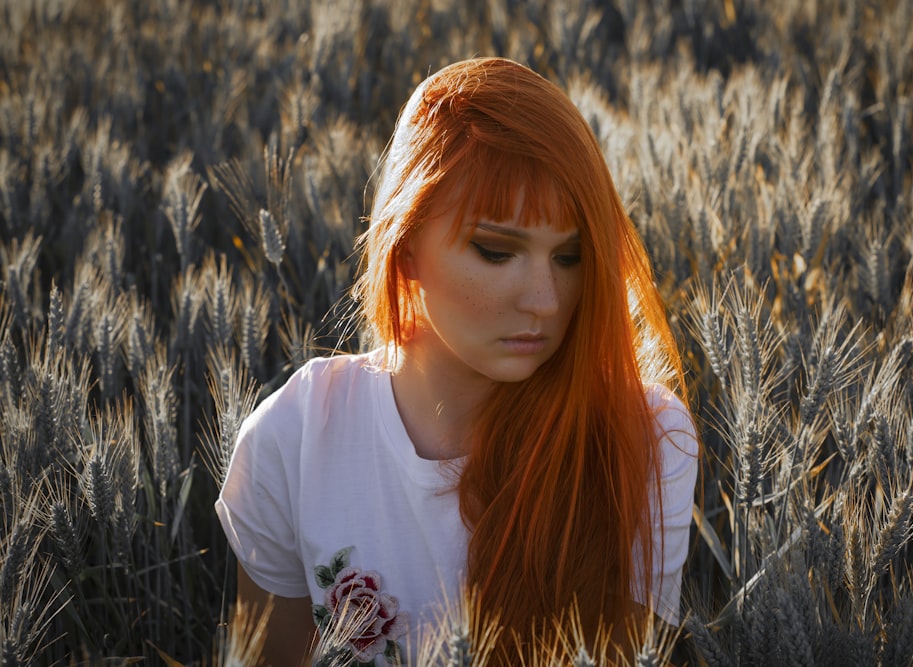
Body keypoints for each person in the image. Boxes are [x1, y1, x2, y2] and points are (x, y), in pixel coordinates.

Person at [215, 56, 698, 666]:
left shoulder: (644, 439)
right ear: (407, 243)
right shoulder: (292, 437)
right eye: (497, 251)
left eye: (571, 257)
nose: (547, 301)